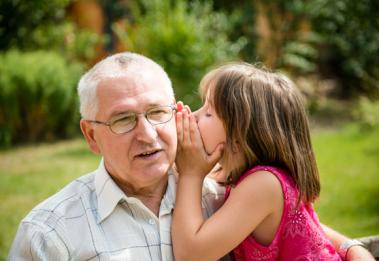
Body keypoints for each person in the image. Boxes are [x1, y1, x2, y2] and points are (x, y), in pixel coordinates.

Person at [8, 53, 372, 260]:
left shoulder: (218, 193)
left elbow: (300, 224)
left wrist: (354, 249)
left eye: (157, 113)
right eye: (123, 119)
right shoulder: (49, 236)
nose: (147, 134)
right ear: (91, 135)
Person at [172, 63, 374, 261]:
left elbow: (190, 255)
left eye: (208, 112)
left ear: (240, 136)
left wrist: (191, 174)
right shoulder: (255, 176)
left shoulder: (263, 184)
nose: (194, 115)